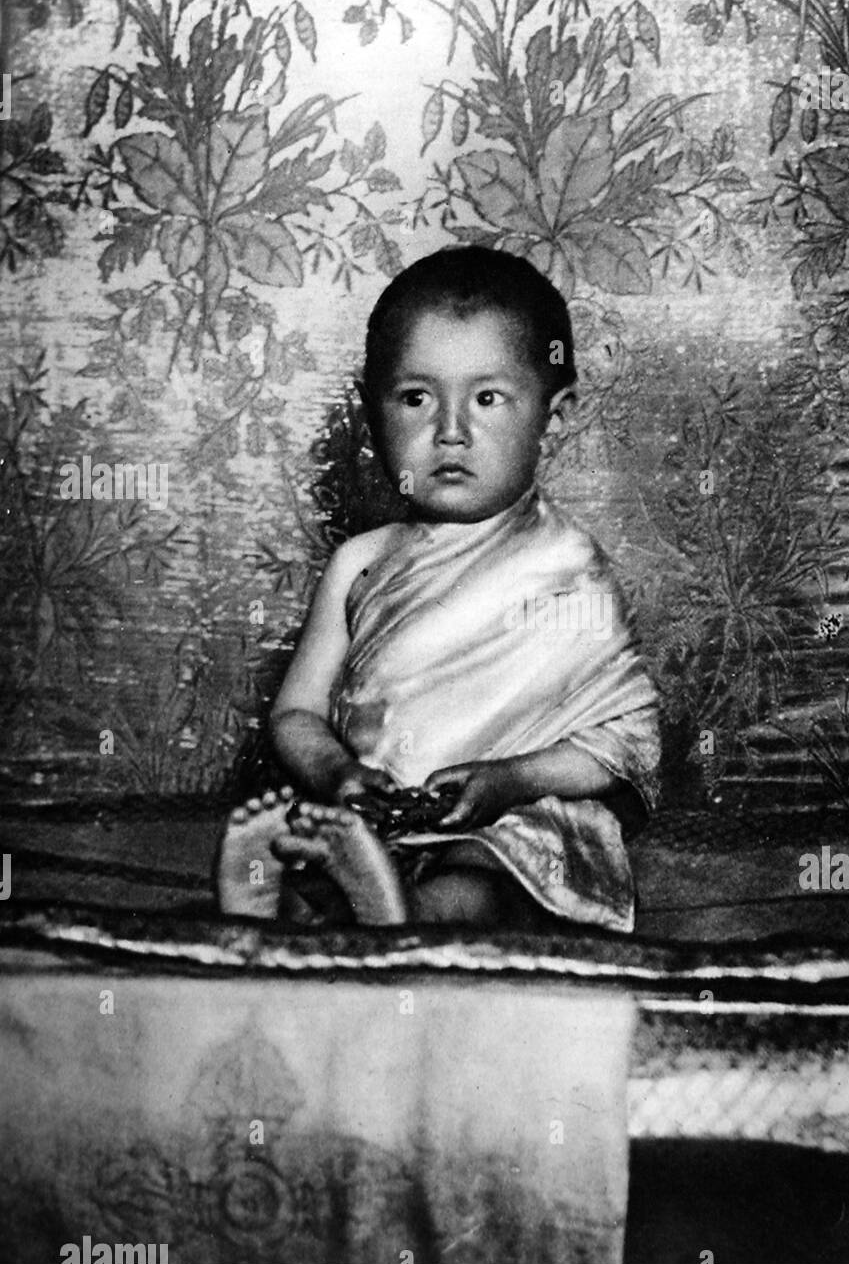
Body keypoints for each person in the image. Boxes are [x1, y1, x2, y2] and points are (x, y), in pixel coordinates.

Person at [216, 246, 659, 932]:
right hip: (379, 818)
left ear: (556, 412)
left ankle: (404, 914)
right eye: (417, 398)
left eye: (487, 398)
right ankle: (290, 905)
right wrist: (338, 774)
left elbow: (623, 742)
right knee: (315, 848)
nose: (450, 431)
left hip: (513, 819)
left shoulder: (569, 566)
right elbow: (295, 715)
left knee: (485, 881)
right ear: (373, 412)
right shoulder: (359, 563)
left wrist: (510, 780)